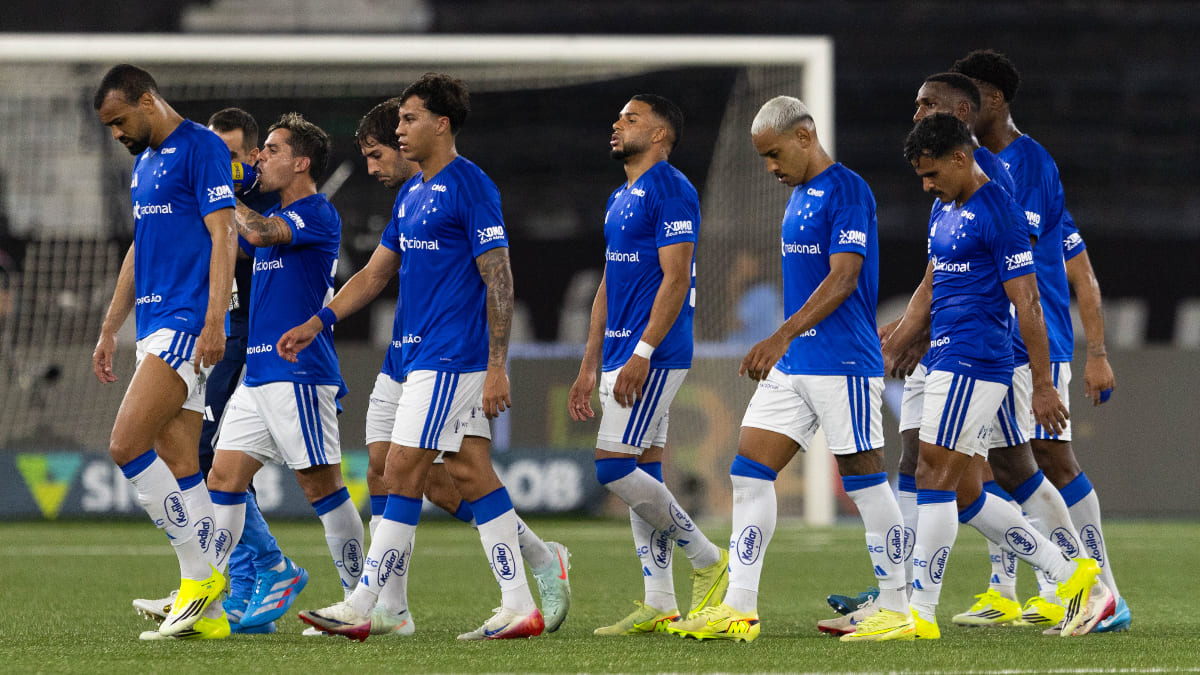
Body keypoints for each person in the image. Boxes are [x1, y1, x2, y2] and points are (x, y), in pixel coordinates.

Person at [297, 98, 570, 638]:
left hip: (450, 357)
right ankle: (522, 587)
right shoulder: (412, 194)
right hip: (407, 356)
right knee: (437, 471)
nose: (399, 131)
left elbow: (499, 277)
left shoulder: (471, 186)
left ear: (441, 124)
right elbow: (375, 274)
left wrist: (497, 365)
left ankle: (366, 603)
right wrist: (319, 320)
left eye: (408, 120)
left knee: (404, 471)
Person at [666, 95, 903, 643]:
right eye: (763, 159)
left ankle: (896, 606)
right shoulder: (798, 196)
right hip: (795, 365)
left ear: (804, 135)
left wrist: (781, 334)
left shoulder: (847, 190)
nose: (771, 167)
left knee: (865, 482)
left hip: (842, 362)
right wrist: (788, 343)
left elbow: (844, 278)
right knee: (748, 473)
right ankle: (740, 607)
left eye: (774, 154)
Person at [874, 113, 1112, 641]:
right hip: (944, 356)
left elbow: (1028, 302)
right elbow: (931, 288)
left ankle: (919, 613)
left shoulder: (999, 211)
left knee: (934, 475)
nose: (926, 185)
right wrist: (896, 342)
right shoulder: (943, 208)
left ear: (961, 158)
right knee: (963, 493)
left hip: (975, 359)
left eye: (932, 174)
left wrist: (1044, 385)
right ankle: (1071, 575)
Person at [952, 49, 1128, 632]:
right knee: (996, 462)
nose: (958, 108)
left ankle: (1103, 592)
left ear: (994, 99)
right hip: (997, 338)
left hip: (1034, 340)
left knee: (1048, 458)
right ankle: (1022, 588)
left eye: (968, 97)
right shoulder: (979, 165)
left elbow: (1045, 267)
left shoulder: (1027, 165)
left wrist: (1095, 353)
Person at [130, 107, 298, 635]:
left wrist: (221, 193)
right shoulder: (201, 177)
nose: (218, 162)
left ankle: (252, 571)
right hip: (212, 327)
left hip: (240, 332)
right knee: (206, 459)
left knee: (213, 459)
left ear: (252, 155)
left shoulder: (262, 198)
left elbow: (243, 237)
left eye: (230, 154)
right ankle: (226, 587)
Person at [567, 94, 729, 637]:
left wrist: (642, 353)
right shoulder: (620, 197)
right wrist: (589, 363)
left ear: (660, 135)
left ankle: (708, 558)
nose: (617, 124)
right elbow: (609, 284)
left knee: (612, 467)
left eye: (631, 119)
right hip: (619, 352)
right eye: (617, 117)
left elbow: (676, 278)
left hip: (653, 353)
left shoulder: (671, 189)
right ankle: (660, 601)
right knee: (645, 472)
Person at [203, 114, 364, 634]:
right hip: (258, 374)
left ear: (301, 162)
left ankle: (360, 601)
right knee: (222, 480)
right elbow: (236, 238)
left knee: (322, 488)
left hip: (299, 374)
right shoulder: (275, 211)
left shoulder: (316, 213)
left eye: (271, 150)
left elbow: (257, 232)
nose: (260, 158)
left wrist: (223, 190)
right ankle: (205, 596)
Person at [92, 64, 235, 640]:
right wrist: (111, 327)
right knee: (181, 463)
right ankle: (210, 613)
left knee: (126, 444)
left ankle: (199, 579)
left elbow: (224, 233)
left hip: (186, 321)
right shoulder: (145, 165)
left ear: (147, 100)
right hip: (153, 323)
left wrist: (215, 320)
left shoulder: (201, 146)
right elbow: (141, 247)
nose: (116, 134)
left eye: (119, 121)